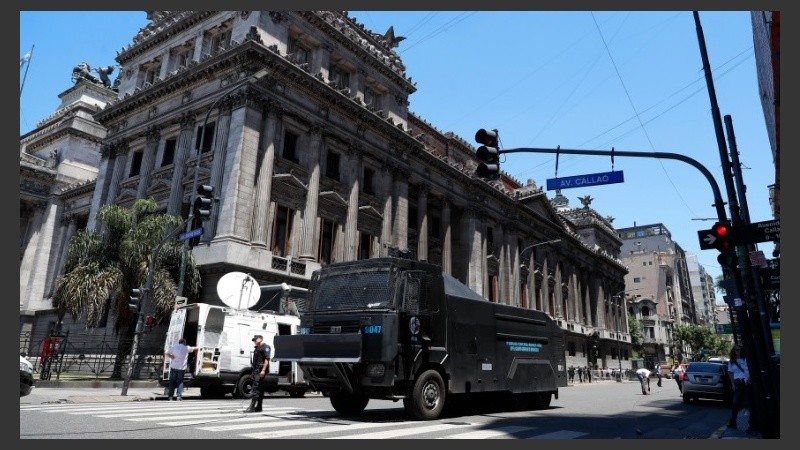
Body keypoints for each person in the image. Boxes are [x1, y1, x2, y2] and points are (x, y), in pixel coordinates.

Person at [727, 346, 757, 432]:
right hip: (738, 383)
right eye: (736, 350)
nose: (738, 351)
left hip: (746, 383)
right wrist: (732, 384)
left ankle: (752, 425)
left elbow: (751, 370)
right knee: (735, 403)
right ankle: (733, 422)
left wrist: (749, 379)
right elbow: (730, 373)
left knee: (750, 403)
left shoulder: (745, 359)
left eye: (739, 350)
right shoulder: (732, 361)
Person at [245, 334, 271, 413]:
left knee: (256, 388)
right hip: (256, 370)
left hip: (260, 370)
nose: (254, 341)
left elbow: (267, 359)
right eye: (254, 340)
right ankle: (259, 407)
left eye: (255, 339)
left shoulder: (266, 347)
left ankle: (252, 407)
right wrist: (253, 372)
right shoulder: (257, 348)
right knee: (260, 388)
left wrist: (263, 370)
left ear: (261, 339)